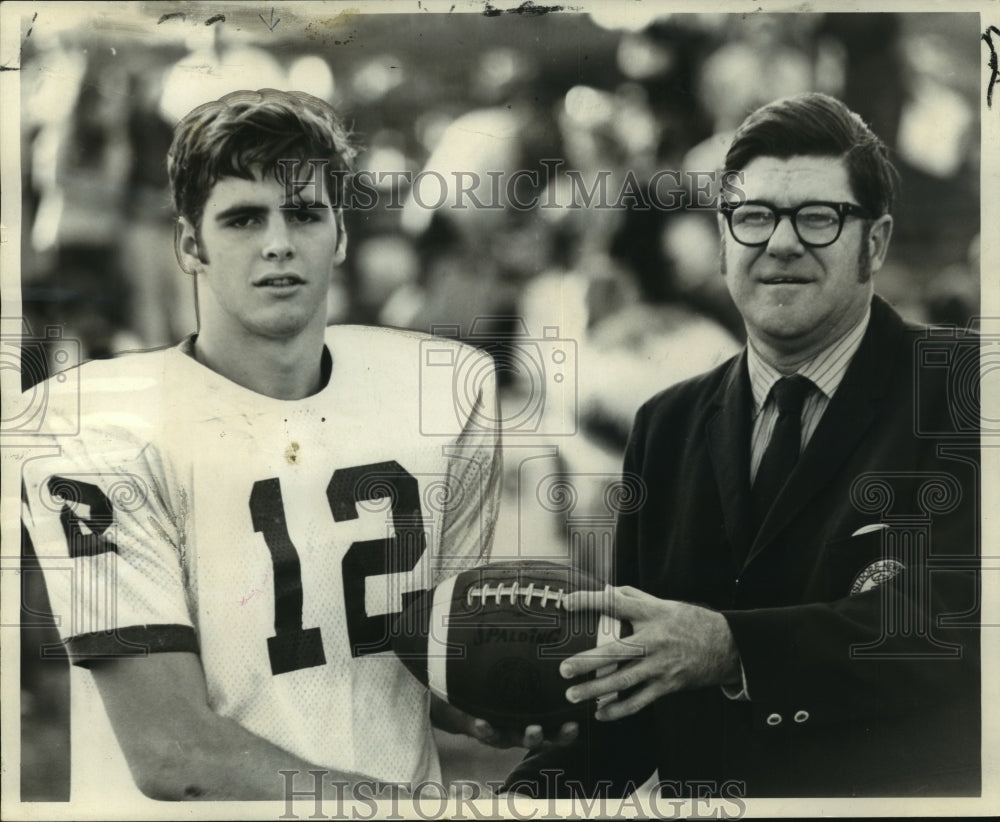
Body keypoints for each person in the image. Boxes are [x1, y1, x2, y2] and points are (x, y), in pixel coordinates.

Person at [20, 88, 518, 803]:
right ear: (191, 243)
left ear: (341, 234)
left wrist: (499, 700)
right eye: (244, 218)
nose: (278, 242)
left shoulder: (441, 389)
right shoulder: (99, 430)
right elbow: (174, 751)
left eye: (305, 214)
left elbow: (425, 663)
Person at [505, 92, 980, 797]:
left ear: (875, 242)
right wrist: (550, 744)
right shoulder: (666, 426)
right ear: (725, 238)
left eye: (818, 217)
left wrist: (730, 649)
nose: (780, 242)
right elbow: (637, 710)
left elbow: (958, 625)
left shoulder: (966, 387)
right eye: (753, 217)